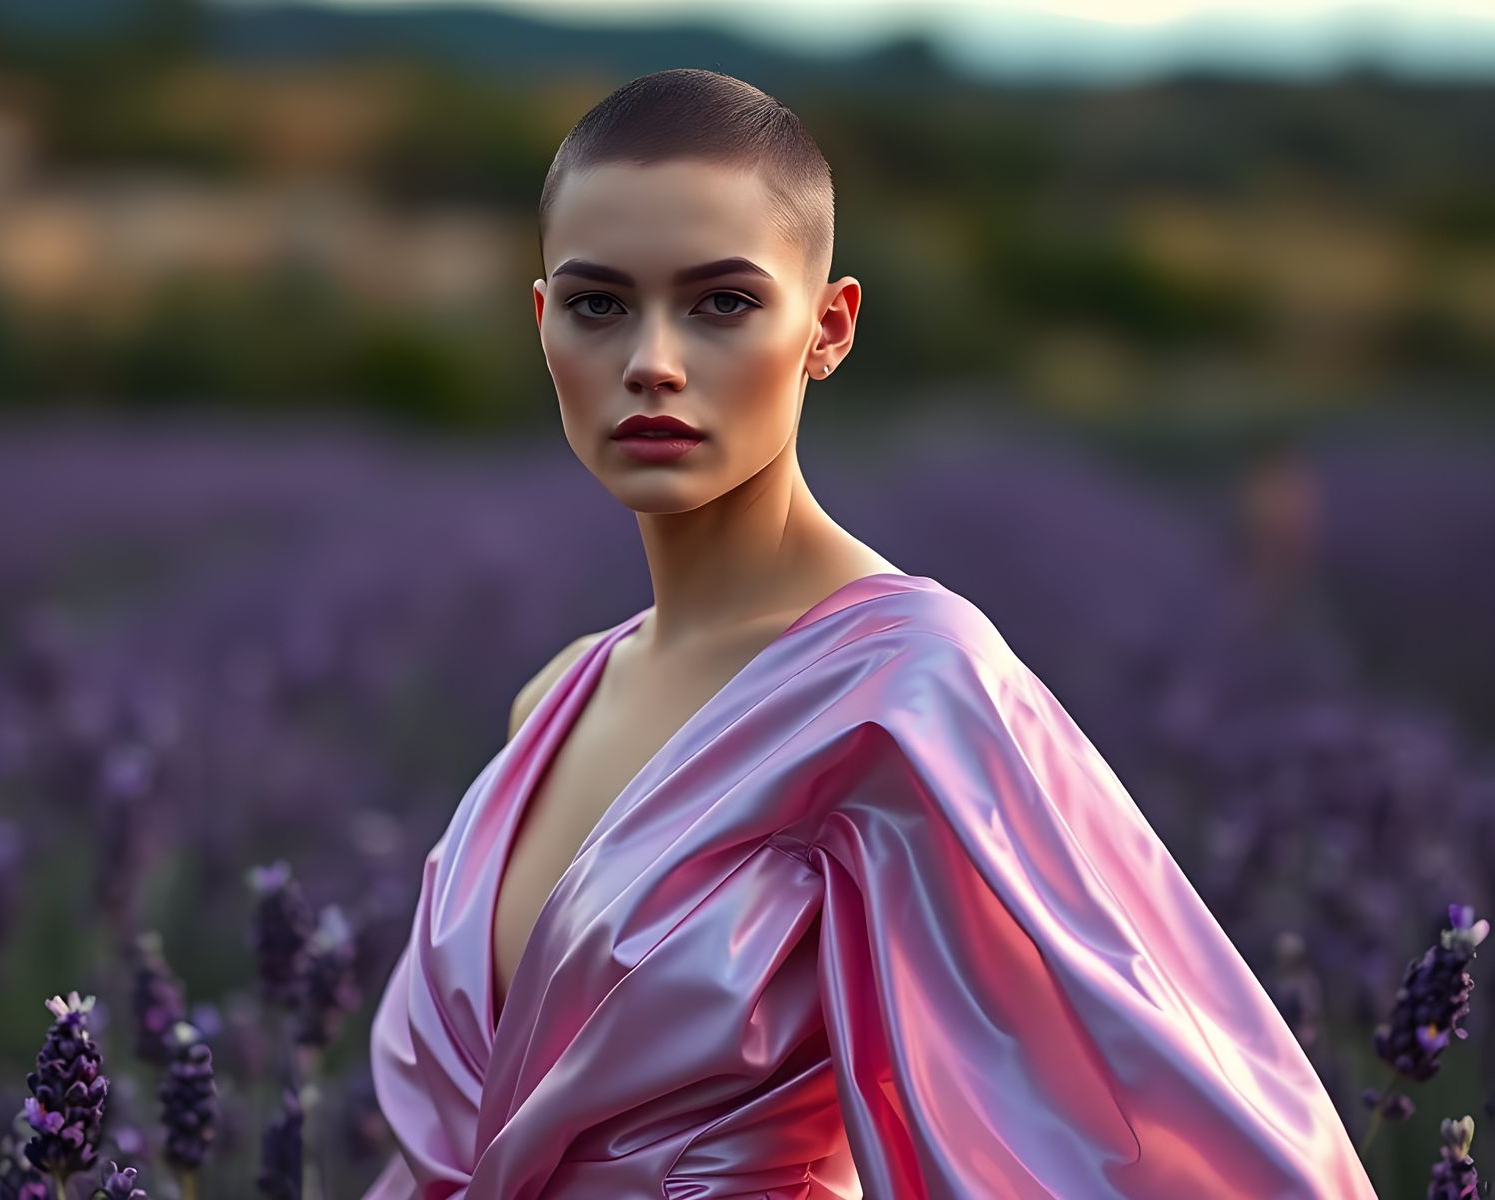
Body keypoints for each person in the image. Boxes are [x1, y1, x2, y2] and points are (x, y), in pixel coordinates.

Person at [362, 68, 1377, 1199]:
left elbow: (1170, 1140)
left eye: (721, 302)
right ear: (543, 322)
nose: (651, 358)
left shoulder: (911, 690)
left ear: (828, 328)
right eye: (601, 304)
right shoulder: (550, 698)